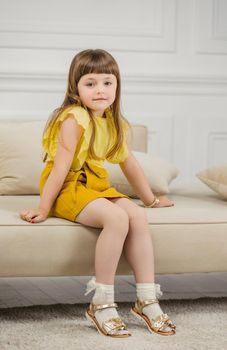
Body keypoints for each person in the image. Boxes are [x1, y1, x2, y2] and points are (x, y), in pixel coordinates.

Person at [20, 49, 176, 338]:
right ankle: (101, 303)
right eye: (90, 83)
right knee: (117, 218)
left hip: (95, 185)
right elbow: (61, 167)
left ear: (117, 86)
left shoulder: (115, 122)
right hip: (69, 187)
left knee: (137, 215)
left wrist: (152, 199)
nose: (100, 90)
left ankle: (147, 300)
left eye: (107, 82)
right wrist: (44, 207)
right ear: (75, 89)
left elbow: (130, 164)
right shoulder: (73, 118)